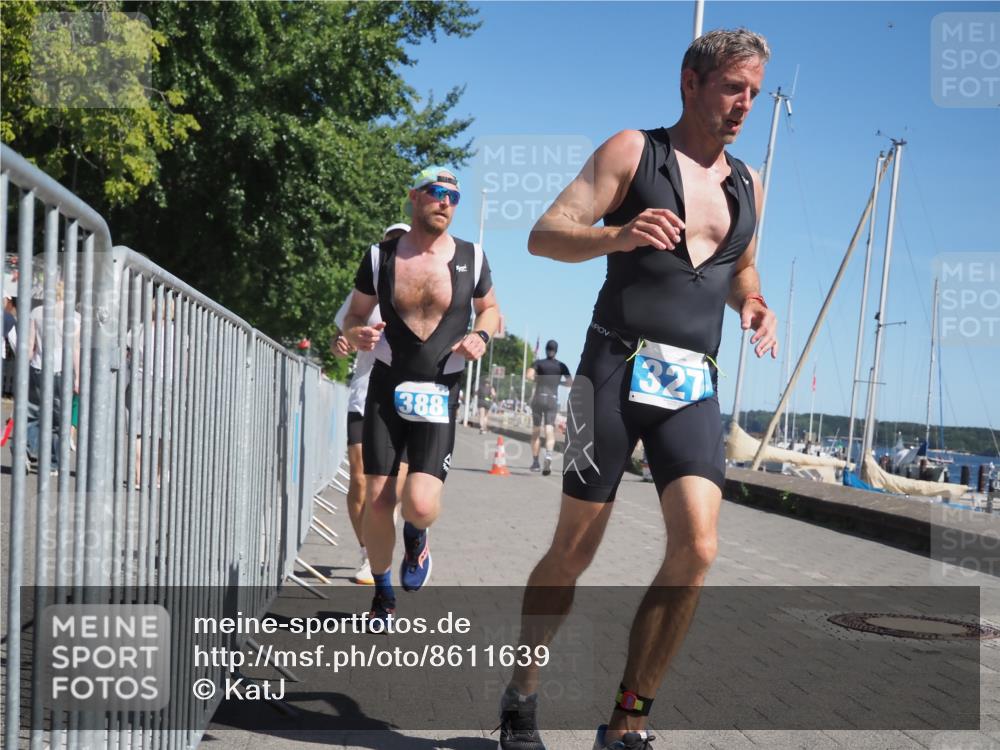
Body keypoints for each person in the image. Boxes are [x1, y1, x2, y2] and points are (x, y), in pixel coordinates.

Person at [498, 29, 779, 750]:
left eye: (753, 91)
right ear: (691, 82)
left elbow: (739, 269)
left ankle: (628, 719)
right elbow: (546, 233)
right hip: (608, 377)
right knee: (574, 552)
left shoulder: (749, 185)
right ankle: (522, 695)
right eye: (732, 88)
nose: (744, 103)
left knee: (699, 548)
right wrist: (614, 238)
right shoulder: (634, 151)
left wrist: (751, 303)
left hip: (691, 384)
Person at [343, 167, 500, 620]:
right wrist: (358, 334)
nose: (446, 201)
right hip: (386, 387)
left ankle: (417, 541)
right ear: (413, 196)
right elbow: (353, 315)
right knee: (378, 498)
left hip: (440, 390)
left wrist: (481, 337)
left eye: (454, 195)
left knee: (421, 504)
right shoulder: (381, 256)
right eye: (436, 192)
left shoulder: (472, 256)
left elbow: (490, 311)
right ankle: (383, 591)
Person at [332, 222, 412, 585]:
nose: (395, 247)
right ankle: (368, 551)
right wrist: (343, 342)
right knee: (360, 478)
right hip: (364, 394)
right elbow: (341, 334)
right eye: (389, 241)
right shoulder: (368, 288)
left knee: (391, 487)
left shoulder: (421, 289)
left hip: (407, 400)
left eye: (402, 241)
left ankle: (383, 555)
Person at [526, 339, 572, 475]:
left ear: (546, 349)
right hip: (552, 400)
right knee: (549, 430)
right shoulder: (561, 366)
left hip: (539, 398)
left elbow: (528, 375)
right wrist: (559, 383)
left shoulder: (539, 363)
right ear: (556, 351)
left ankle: (535, 462)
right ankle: (549, 455)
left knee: (536, 431)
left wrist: (538, 379)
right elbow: (570, 382)